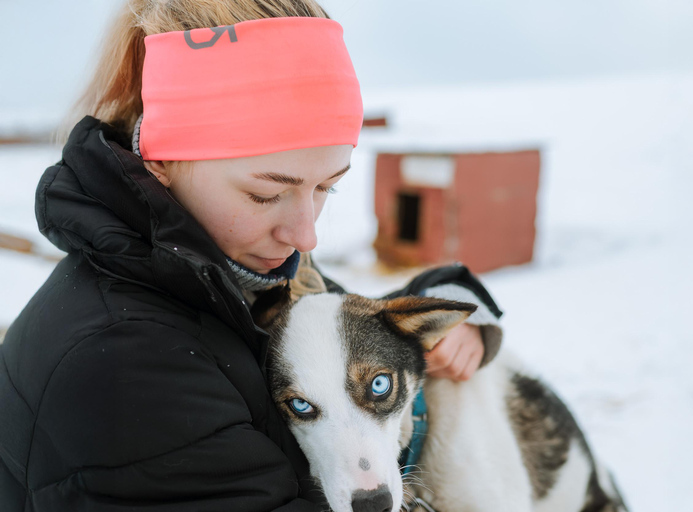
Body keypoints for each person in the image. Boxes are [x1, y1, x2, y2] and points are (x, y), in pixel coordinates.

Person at [0, 1, 504, 510]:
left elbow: (351, 336)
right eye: (266, 194)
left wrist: (453, 306)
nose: (306, 235)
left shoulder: (234, 268)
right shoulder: (127, 359)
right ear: (161, 162)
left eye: (327, 186)